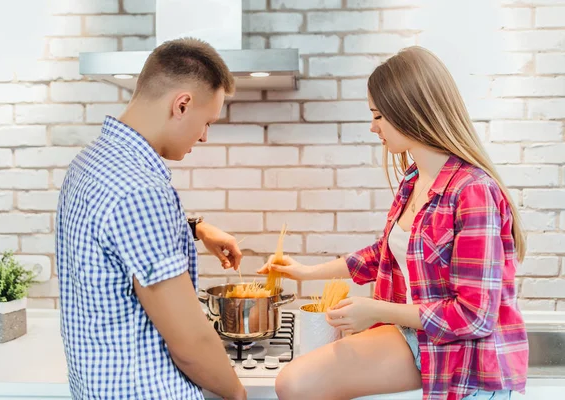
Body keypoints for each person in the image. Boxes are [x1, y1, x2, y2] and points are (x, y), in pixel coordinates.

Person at [259, 46, 528, 400]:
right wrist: (305, 272)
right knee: (294, 383)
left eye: (379, 116)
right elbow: (384, 252)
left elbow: (474, 317)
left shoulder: (473, 192)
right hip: (418, 339)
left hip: (467, 363)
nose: (373, 128)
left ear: (410, 113)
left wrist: (375, 310)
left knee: (297, 383)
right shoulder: (414, 179)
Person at [55, 38, 246, 400]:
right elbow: (189, 342)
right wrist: (236, 392)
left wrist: (196, 229)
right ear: (182, 104)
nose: (205, 136)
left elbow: (114, 238)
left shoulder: (89, 163)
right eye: (207, 122)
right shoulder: (140, 191)